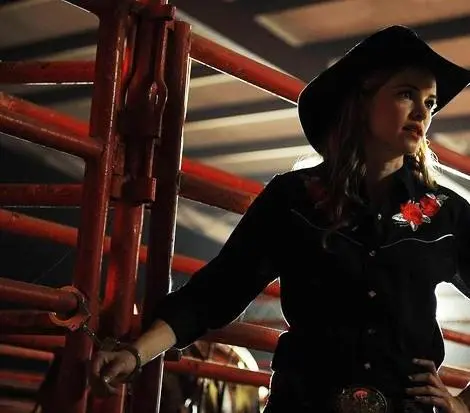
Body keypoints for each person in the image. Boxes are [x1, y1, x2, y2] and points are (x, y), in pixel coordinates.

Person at [89, 25, 470, 412]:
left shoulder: (447, 213)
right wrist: (135, 354)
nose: (422, 112)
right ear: (362, 99)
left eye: (431, 102)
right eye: (406, 94)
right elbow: (219, 289)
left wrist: (463, 404)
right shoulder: (293, 198)